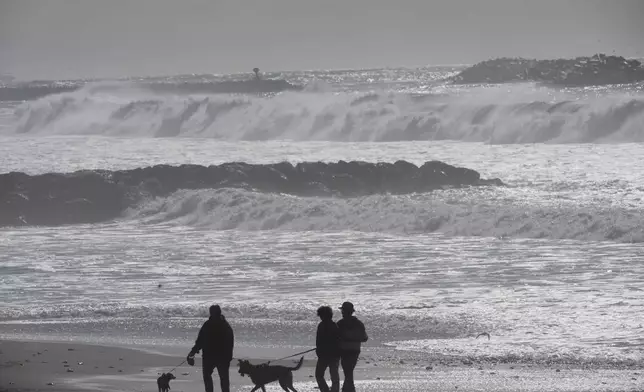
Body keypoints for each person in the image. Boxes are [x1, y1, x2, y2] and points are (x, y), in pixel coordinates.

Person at [187, 305, 234, 392]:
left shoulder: (208, 325)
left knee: (208, 377)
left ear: (211, 313)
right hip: (221, 358)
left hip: (210, 357)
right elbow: (230, 343)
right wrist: (229, 357)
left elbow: (200, 341)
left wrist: (192, 352)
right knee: (224, 380)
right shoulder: (225, 326)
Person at [336, 302, 368, 392]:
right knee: (349, 371)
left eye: (342, 311)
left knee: (348, 372)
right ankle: (349, 389)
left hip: (344, 350)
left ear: (344, 312)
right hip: (355, 350)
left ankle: (348, 389)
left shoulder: (340, 324)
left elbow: (335, 338)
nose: (342, 312)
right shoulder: (359, 324)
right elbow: (365, 338)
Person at [315, 306, 340, 392]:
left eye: (321, 316)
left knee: (319, 375)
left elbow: (318, 341)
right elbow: (338, 340)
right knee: (334, 375)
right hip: (335, 354)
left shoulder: (321, 326)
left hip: (324, 355)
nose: (321, 317)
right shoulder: (334, 326)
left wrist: (318, 351)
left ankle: (325, 390)